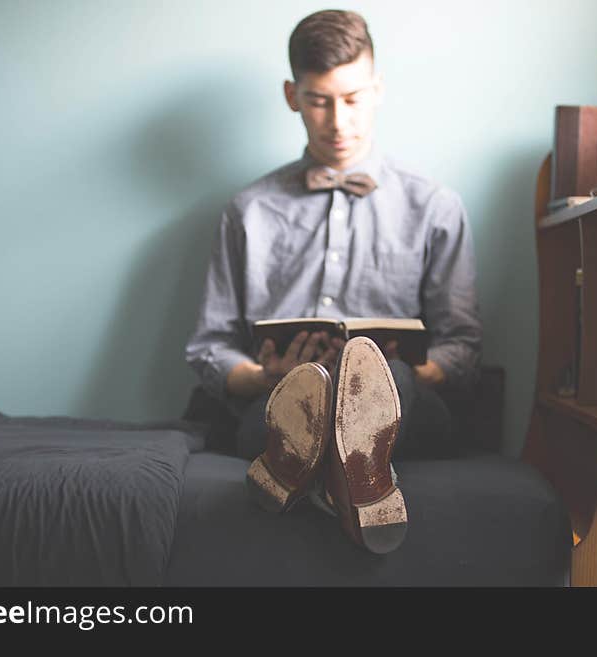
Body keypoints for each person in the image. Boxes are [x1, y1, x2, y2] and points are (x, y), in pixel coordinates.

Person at [185, 10, 481, 553]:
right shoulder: (247, 211)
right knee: (289, 403)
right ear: (292, 96)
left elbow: (462, 345)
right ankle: (356, 488)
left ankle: (301, 473)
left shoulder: (435, 207)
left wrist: (413, 367)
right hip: (280, 396)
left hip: (402, 399)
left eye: (352, 99)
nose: (338, 122)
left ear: (378, 89)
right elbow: (209, 347)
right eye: (320, 100)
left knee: (383, 378)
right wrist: (259, 374)